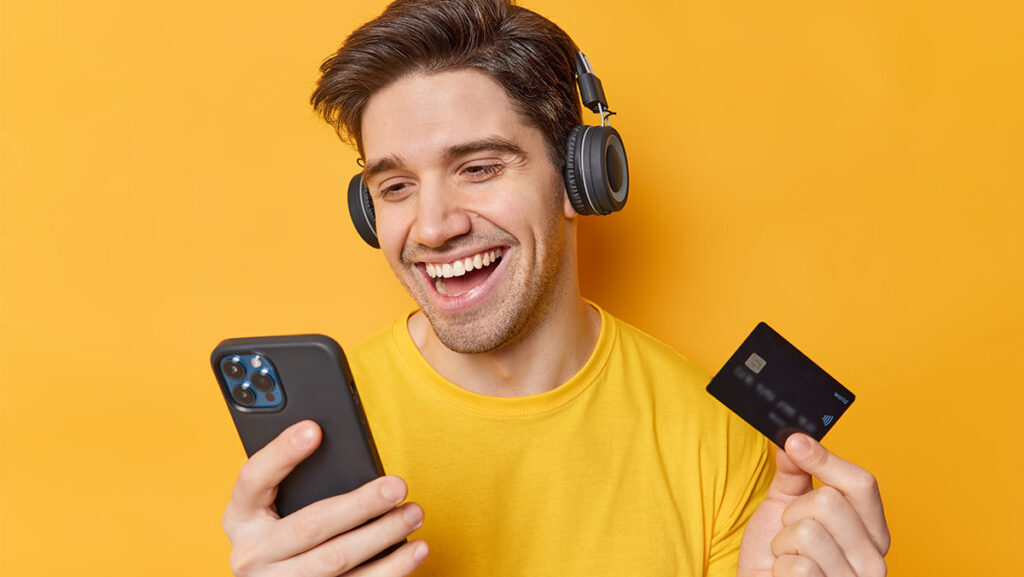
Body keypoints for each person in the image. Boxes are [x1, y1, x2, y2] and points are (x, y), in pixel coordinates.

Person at [220, 0, 891, 575]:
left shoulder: (716, 438)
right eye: (396, 187)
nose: (432, 226)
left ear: (580, 180)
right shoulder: (317, 441)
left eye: (478, 168)